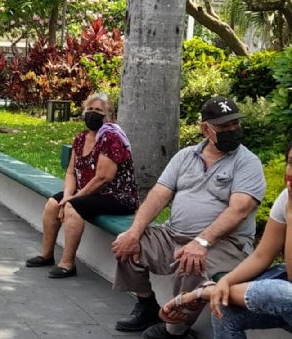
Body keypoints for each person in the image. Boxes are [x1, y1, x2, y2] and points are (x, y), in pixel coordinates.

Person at [111, 96, 266, 339]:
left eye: (236, 124)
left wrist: (201, 242)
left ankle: (176, 331)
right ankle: (147, 304)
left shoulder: (248, 162)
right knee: (128, 246)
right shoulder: (185, 156)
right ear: (206, 128)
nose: (233, 130)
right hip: (173, 234)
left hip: (226, 244)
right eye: (225, 126)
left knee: (192, 264)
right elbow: (159, 195)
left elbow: (240, 210)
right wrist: (133, 232)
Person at [158, 141, 292, 338]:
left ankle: (203, 292)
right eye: (290, 162)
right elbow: (262, 255)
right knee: (224, 309)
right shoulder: (286, 199)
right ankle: (213, 291)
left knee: (279, 292)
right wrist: (226, 281)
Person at [25, 93, 139, 278]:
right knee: (53, 204)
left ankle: (68, 263)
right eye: (90, 110)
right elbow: (71, 172)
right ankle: (46, 255)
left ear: (108, 116)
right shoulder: (80, 138)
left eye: (99, 111)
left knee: (72, 207)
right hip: (90, 193)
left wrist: (73, 199)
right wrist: (68, 194)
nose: (93, 114)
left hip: (116, 196)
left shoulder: (111, 138)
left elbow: (104, 178)